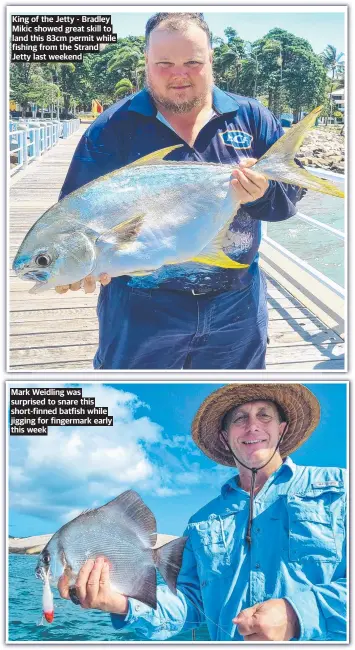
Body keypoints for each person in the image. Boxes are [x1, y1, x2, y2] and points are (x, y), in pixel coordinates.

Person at [56, 12, 305, 370]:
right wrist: (74, 265)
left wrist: (263, 193)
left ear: (211, 60)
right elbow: (75, 218)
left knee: (231, 396)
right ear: (146, 61)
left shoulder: (252, 117)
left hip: (236, 306)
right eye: (164, 63)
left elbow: (286, 204)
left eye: (192, 62)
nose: (179, 74)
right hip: (139, 311)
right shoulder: (111, 128)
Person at [58, 383, 346, 641]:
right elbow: (190, 606)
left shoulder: (344, 488)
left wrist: (298, 614)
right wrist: (121, 602)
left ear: (281, 428)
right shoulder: (200, 522)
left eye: (264, 415)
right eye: (240, 419)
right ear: (225, 437)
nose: (253, 426)